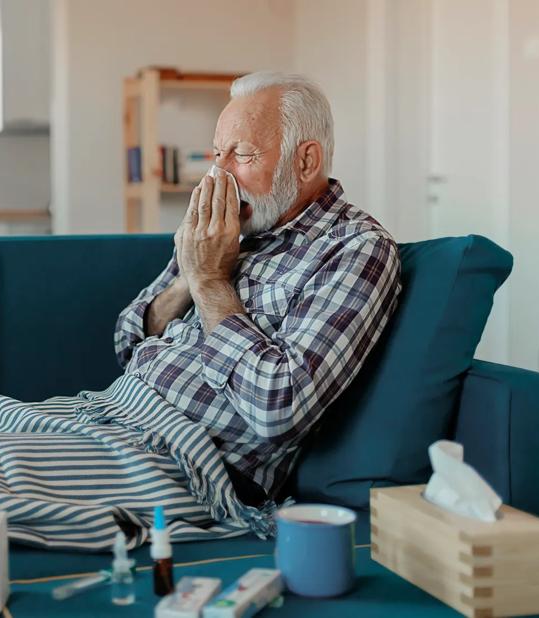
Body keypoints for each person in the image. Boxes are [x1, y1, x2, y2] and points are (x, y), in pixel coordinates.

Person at [114, 71, 402, 506]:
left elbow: (279, 408)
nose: (218, 175)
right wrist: (190, 276)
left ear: (306, 161)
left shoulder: (355, 249)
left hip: (177, 461)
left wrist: (211, 283)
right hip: (110, 413)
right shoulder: (221, 230)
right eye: (216, 154)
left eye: (242, 155)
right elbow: (126, 342)